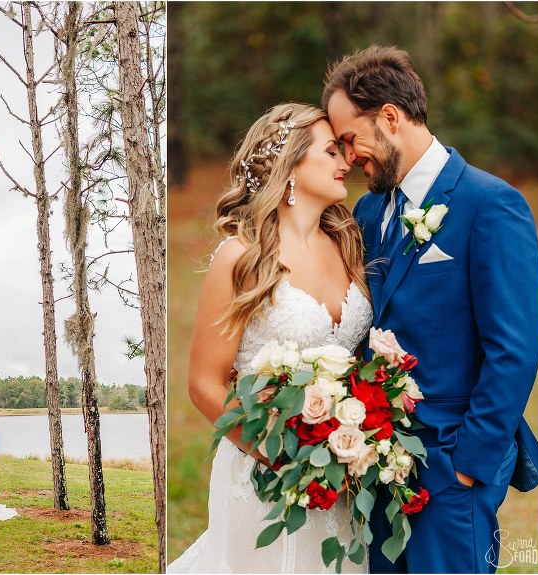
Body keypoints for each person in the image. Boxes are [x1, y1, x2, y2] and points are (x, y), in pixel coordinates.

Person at [321, 45, 538, 573]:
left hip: (451, 471)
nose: (350, 157)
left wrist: (468, 466)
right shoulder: (368, 209)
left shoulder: (491, 204)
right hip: (375, 462)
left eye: (351, 139)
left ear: (391, 118)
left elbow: (515, 349)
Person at [168, 103, 373, 574]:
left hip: (343, 473)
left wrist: (347, 450)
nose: (346, 162)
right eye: (330, 151)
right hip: (263, 473)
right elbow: (204, 385)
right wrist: (287, 458)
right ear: (291, 168)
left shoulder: (348, 243)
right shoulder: (241, 257)